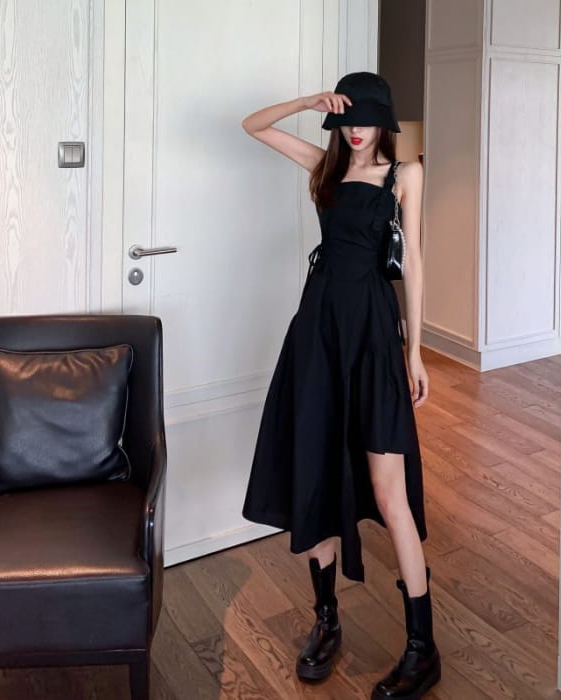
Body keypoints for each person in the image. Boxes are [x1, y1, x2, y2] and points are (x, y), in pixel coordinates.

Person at [240, 71, 440, 700]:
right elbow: (252, 125)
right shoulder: (324, 168)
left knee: (388, 488)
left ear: (386, 123)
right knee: (318, 470)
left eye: (366, 119)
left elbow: (413, 262)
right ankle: (326, 621)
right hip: (318, 334)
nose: (355, 130)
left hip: (374, 335)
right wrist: (307, 101)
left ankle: (422, 646)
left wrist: (416, 351)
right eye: (346, 119)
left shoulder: (404, 174)